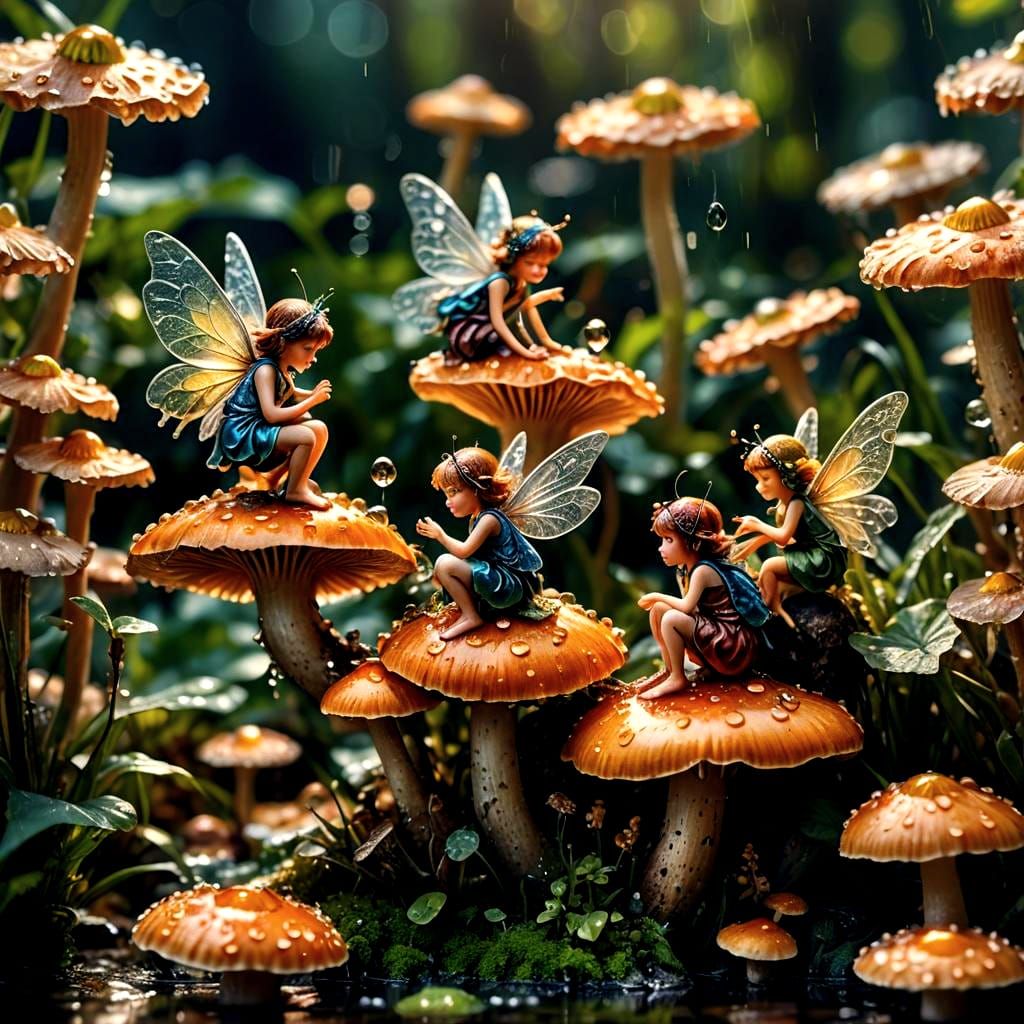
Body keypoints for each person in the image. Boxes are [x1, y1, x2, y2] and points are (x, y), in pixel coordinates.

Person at [637, 495, 769, 699]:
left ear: (694, 543)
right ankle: (670, 671)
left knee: (671, 617)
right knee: (659, 611)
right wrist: (659, 602)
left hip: (732, 645)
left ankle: (678, 678)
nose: (661, 548)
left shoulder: (704, 570)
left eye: (669, 540)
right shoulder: (687, 569)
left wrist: (657, 595)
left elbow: (686, 608)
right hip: (717, 633)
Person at [207, 297, 334, 510]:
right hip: (244, 434)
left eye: (315, 351)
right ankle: (295, 492)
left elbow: (290, 394)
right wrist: (313, 400)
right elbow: (272, 415)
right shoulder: (265, 370)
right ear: (284, 342)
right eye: (307, 348)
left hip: (261, 428)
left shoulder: (281, 369)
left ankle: (289, 481)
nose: (313, 358)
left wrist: (310, 395)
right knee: (305, 436)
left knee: (318, 429)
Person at [416, 444, 542, 640]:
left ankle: (471, 616)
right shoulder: (478, 517)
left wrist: (440, 535)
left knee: (443, 564)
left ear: (476, 488)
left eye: (454, 492)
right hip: (492, 575)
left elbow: (464, 552)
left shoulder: (489, 519)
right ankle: (470, 610)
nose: (448, 501)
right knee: (445, 570)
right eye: (446, 494)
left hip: (506, 584)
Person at [732, 434, 846, 628]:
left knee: (768, 566)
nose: (759, 486)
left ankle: (765, 615)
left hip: (823, 557)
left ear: (785, 475)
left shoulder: (797, 502)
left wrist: (757, 525)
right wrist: (755, 542)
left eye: (766, 478)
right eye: (757, 479)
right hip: (809, 552)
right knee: (773, 581)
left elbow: (783, 538)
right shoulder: (784, 504)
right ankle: (775, 604)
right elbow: (784, 539)